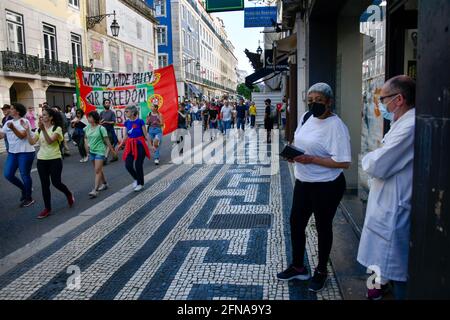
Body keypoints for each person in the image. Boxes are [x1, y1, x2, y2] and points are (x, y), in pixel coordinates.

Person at [277, 83, 351, 293]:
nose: (314, 104)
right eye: (310, 101)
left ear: (329, 102)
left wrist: (311, 159)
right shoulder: (306, 117)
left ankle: (321, 271)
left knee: (322, 227)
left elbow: (343, 162)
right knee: (296, 222)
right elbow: (299, 139)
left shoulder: (337, 127)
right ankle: (298, 266)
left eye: (319, 100)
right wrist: (294, 153)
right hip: (304, 181)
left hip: (327, 185)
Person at [357, 75, 416, 301]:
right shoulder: (401, 123)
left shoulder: (410, 125)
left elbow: (378, 164)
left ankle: (383, 292)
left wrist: (368, 159)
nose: (381, 105)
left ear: (398, 99)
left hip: (395, 208)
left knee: (397, 268)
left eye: (383, 99)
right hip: (384, 204)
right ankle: (374, 290)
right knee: (377, 257)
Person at [22, 108, 75, 219]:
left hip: (54, 159)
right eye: (42, 115)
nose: (42, 116)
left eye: (45, 115)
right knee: (44, 185)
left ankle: (68, 193)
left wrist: (43, 129)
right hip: (42, 160)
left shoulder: (57, 128)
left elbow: (50, 141)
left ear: (51, 117)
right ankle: (47, 208)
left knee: (56, 182)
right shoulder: (39, 130)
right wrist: (27, 131)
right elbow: (32, 142)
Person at [0, 103, 36, 207]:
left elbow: (22, 136)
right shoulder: (8, 122)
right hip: (13, 152)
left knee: (25, 175)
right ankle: (24, 189)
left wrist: (13, 128)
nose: (9, 110)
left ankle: (29, 198)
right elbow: (2, 135)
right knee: (8, 174)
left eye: (11, 109)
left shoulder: (24, 121)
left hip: (25, 152)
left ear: (18, 111)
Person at [116, 106, 151, 192]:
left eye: (127, 111)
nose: (125, 113)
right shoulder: (127, 123)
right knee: (128, 165)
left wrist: (150, 145)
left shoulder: (140, 121)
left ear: (132, 112)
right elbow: (125, 136)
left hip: (140, 145)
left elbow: (146, 135)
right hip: (130, 145)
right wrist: (120, 145)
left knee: (138, 165)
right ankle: (136, 178)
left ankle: (140, 183)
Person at [84, 110, 117, 198]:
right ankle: (105, 183)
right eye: (88, 117)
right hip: (92, 151)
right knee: (98, 169)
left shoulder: (101, 128)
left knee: (97, 170)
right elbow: (86, 138)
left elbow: (107, 141)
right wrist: (86, 148)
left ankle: (95, 190)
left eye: (90, 117)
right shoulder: (87, 128)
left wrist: (112, 151)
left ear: (94, 118)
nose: (88, 118)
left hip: (100, 151)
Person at [100, 99, 119, 164]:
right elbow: (99, 122)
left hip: (110, 131)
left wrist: (106, 122)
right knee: (107, 144)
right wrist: (100, 122)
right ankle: (115, 157)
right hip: (103, 131)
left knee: (109, 144)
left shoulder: (112, 113)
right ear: (103, 104)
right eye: (106, 103)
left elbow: (113, 122)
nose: (107, 104)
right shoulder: (101, 113)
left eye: (108, 103)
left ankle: (105, 158)